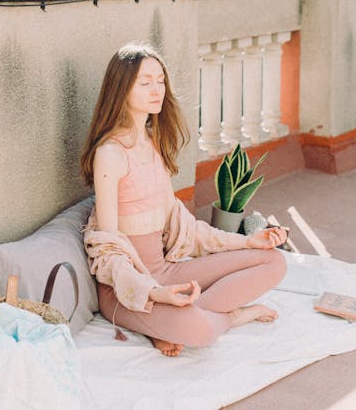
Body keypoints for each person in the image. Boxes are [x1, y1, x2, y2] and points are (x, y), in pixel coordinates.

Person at [80, 43, 287, 357]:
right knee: (199, 330)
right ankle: (227, 317)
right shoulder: (110, 154)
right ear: (121, 88)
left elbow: (187, 230)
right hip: (128, 291)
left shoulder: (154, 141)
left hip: (168, 272)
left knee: (274, 261)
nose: (157, 89)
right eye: (145, 82)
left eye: (160, 80)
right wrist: (158, 294)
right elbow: (109, 253)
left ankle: (169, 322)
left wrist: (247, 243)